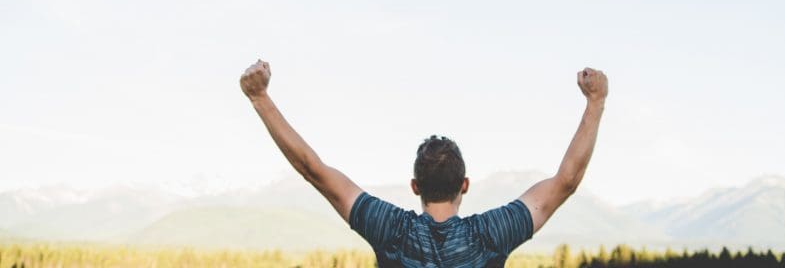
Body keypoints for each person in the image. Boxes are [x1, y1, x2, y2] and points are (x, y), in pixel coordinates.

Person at [239, 59, 608, 267]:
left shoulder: (391, 230)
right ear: (464, 184)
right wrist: (595, 102)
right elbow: (567, 181)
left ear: (415, 185)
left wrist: (260, 98)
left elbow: (312, 170)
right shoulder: (491, 235)